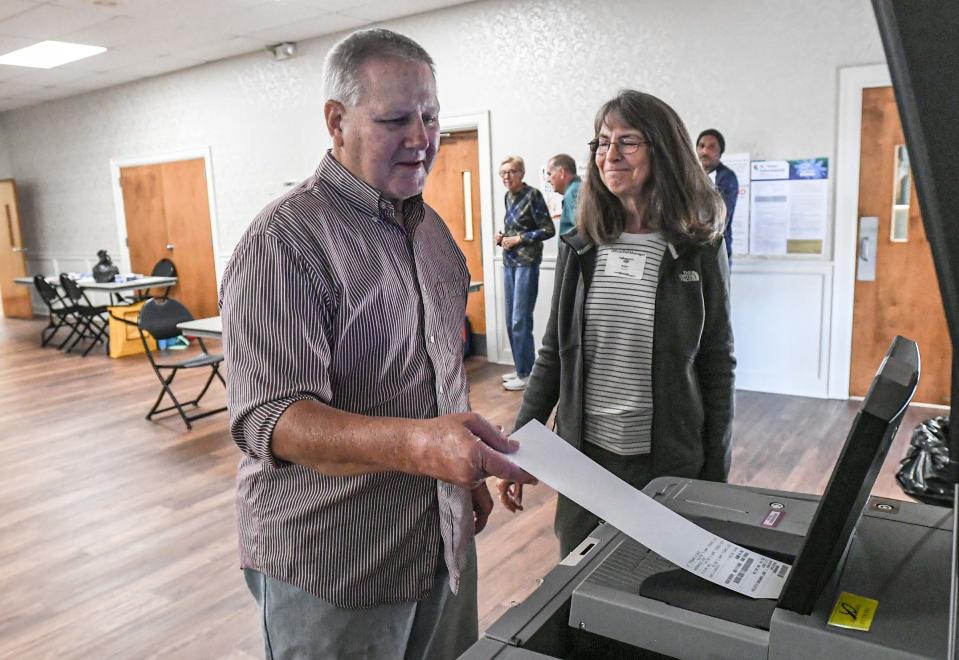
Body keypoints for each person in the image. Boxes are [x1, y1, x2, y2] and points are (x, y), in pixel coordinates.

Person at [219, 28, 536, 660]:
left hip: (441, 545)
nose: (421, 138)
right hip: (335, 566)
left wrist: (455, 468)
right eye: (395, 119)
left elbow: (437, 376)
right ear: (336, 122)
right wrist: (424, 447)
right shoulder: (285, 241)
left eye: (431, 117)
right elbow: (269, 420)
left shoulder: (433, 231)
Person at [498, 90, 735, 557]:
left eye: (627, 141)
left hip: (668, 459)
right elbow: (552, 354)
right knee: (578, 588)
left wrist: (716, 479)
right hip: (585, 460)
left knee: (653, 588)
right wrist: (518, 447)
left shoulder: (697, 248)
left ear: (663, 151)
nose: (610, 155)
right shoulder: (580, 245)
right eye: (602, 142)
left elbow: (717, 365)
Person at [495, 156, 555, 392]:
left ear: (521, 173)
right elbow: (513, 230)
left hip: (527, 263)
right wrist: (502, 238)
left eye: (511, 172)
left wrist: (520, 238)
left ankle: (527, 374)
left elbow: (548, 229)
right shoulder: (508, 196)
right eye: (502, 173)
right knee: (510, 320)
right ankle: (522, 368)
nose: (506, 177)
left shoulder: (533, 195)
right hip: (509, 262)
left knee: (521, 320)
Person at [696, 128, 739, 263]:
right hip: (694, 250)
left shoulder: (727, 177)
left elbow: (721, 216)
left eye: (711, 147)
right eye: (701, 146)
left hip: (718, 251)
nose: (705, 151)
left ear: (720, 152)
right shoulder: (691, 177)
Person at [547, 154, 582, 235]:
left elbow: (582, 231)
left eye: (550, 174)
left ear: (561, 172)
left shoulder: (573, 193)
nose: (548, 179)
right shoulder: (579, 188)